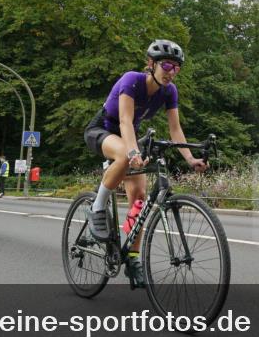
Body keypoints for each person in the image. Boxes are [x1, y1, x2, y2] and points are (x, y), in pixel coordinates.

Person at [82, 39, 209, 287]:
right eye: (167, 65)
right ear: (151, 64)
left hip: (127, 136)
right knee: (122, 155)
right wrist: (131, 152)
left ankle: (131, 257)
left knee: (139, 198)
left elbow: (175, 129)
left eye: (176, 68)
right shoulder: (132, 79)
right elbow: (125, 121)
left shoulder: (169, 91)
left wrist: (190, 158)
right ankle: (97, 207)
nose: (171, 72)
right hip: (103, 129)